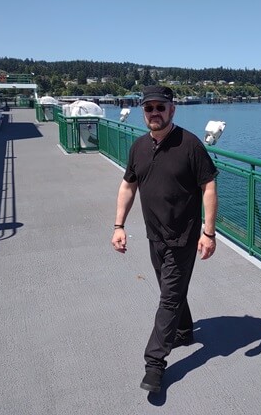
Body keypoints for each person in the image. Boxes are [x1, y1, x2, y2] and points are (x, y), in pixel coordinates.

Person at [111, 85, 218, 393]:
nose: (155, 112)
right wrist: (118, 225)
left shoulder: (190, 145)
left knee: (168, 296)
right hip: (154, 235)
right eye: (149, 108)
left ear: (172, 110)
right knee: (170, 290)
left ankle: (155, 363)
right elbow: (128, 186)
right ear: (142, 112)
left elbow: (208, 187)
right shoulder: (139, 147)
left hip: (184, 237)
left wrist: (208, 233)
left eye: (161, 107)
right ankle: (184, 330)